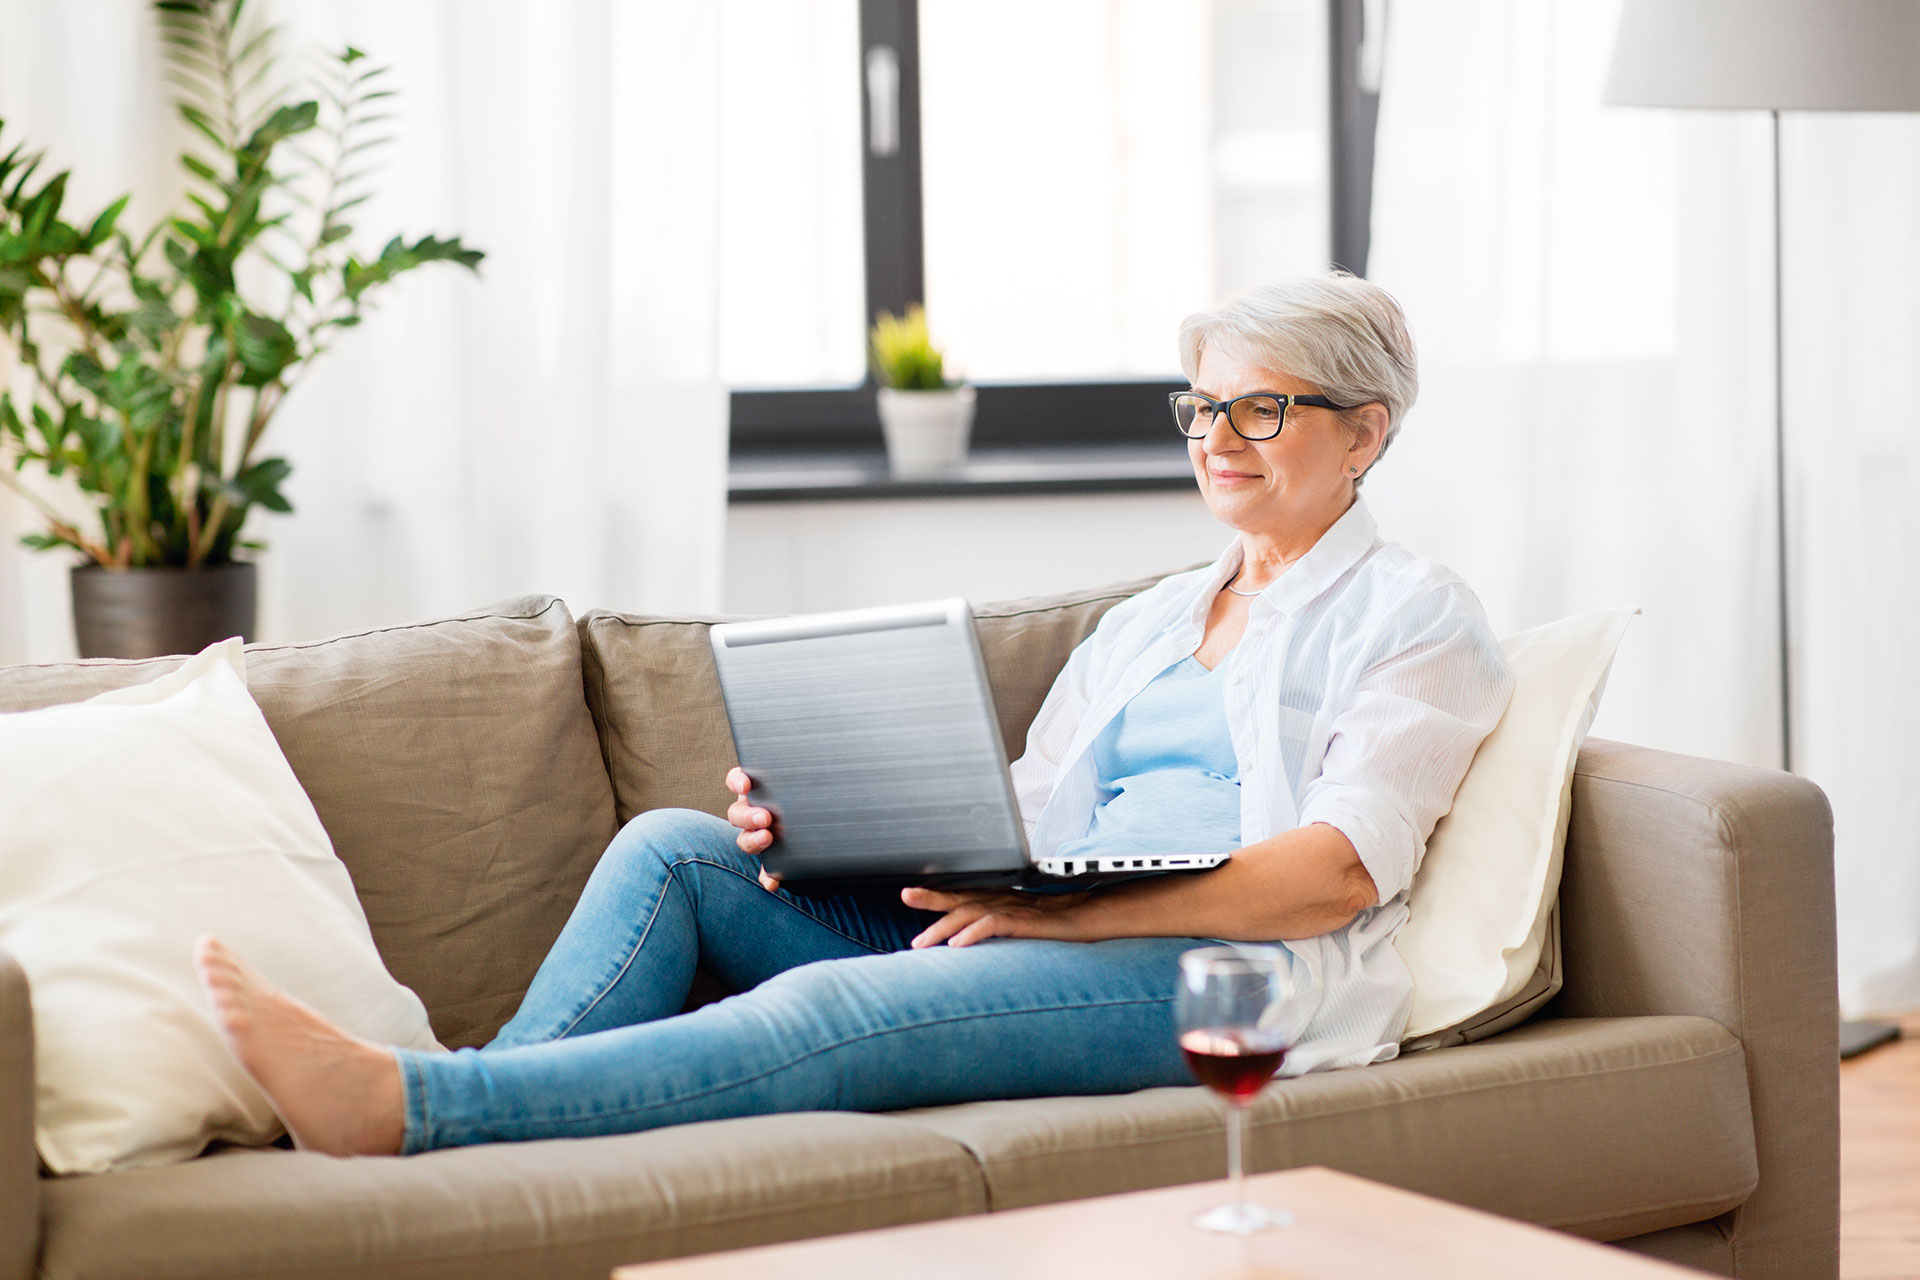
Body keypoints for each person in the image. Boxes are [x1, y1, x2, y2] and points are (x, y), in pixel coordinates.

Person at [195, 272, 1517, 1157]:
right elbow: (1021, 811)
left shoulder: (1416, 617)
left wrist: (1071, 910)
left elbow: (1334, 876)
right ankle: (476, 1125)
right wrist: (839, 831)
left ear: (1364, 432)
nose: (1217, 436)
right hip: (1045, 916)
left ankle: (421, 1108)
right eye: (1202, 407)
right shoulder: (1155, 619)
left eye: (1260, 407)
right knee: (678, 853)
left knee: (839, 1003)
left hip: (1226, 977)